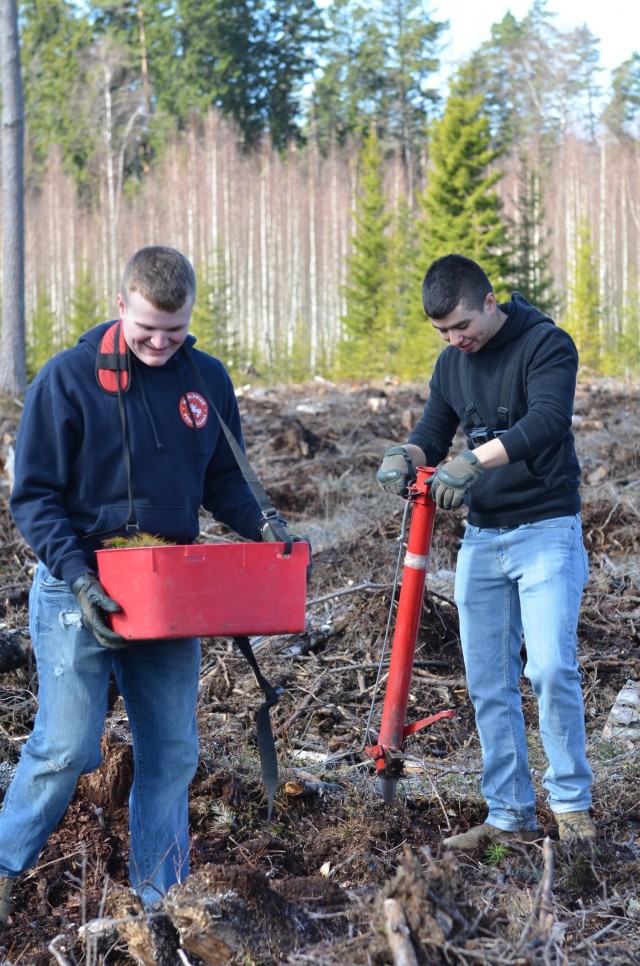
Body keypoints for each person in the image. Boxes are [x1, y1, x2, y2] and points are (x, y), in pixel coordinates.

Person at [0, 245, 303, 928]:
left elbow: (224, 478)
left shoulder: (205, 379)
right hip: (81, 587)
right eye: (146, 332)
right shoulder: (69, 379)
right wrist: (78, 577)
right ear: (121, 306)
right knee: (68, 747)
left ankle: (162, 901)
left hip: (170, 592)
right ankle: (5, 864)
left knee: (172, 750)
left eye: (175, 331)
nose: (160, 345)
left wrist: (265, 523)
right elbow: (36, 496)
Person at [377, 253, 595, 849]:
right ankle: (509, 816)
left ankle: (574, 811)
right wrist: (409, 455)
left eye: (462, 327)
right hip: (483, 539)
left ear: (490, 301)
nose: (455, 340)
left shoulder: (546, 344)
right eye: (443, 332)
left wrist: (475, 460)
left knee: (549, 668)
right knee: (489, 683)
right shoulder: (452, 363)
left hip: (546, 529)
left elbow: (547, 422)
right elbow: (432, 432)